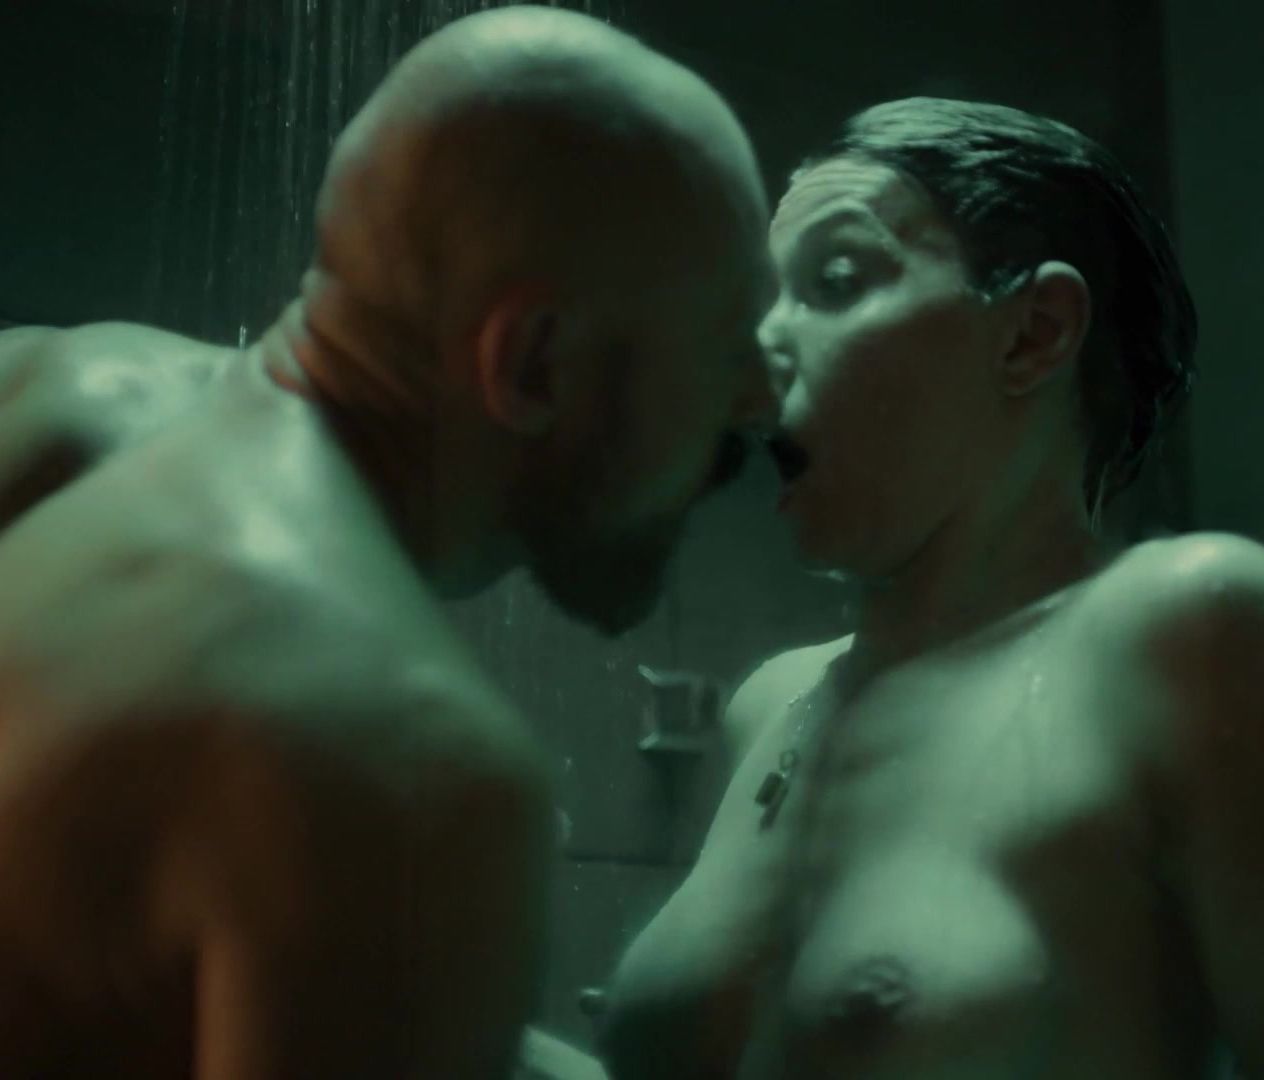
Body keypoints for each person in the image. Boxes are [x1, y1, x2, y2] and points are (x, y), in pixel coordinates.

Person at [601, 98, 1264, 1079]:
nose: (756, 355)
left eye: (836, 280)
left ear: (1033, 334)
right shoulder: (775, 705)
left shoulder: (1188, 630)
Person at [0, 6, 772, 1076]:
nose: (762, 400)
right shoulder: (406, 764)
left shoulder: (40, 392)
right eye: (726, 341)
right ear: (532, 363)